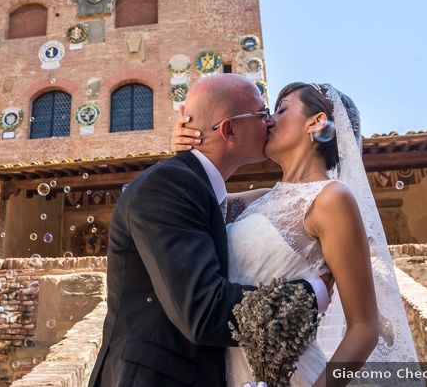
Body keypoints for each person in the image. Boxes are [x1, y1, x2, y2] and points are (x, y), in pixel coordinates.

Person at [88, 74, 331, 387]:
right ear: (230, 130)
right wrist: (314, 291)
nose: (269, 121)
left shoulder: (193, 188)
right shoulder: (170, 186)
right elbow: (203, 311)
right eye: (260, 114)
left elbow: (241, 209)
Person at [172, 82, 420, 386]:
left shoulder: (331, 200)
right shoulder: (256, 200)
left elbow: (364, 328)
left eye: (281, 109)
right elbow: (185, 201)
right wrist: (188, 152)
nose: (269, 119)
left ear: (315, 122)